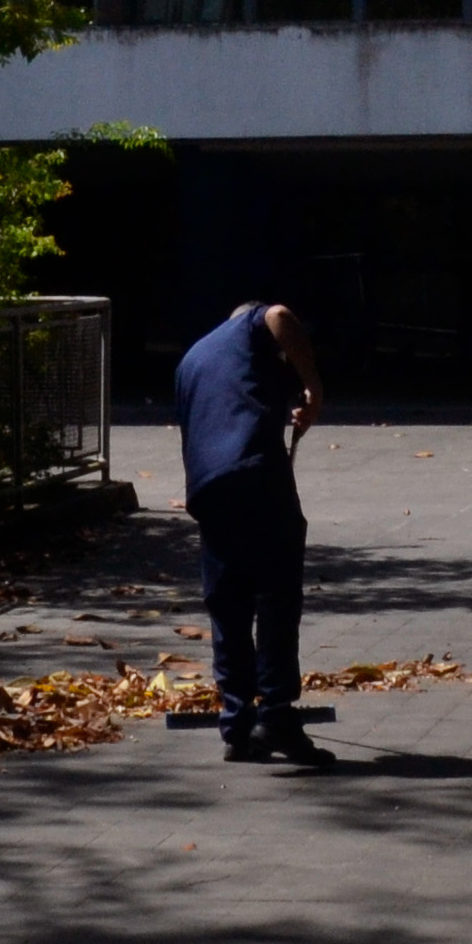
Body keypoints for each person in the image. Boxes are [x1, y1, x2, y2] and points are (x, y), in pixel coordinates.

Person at [172, 299, 329, 766]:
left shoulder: (192, 359)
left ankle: (237, 724)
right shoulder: (251, 326)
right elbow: (280, 316)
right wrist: (313, 390)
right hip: (256, 470)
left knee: (229, 600)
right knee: (277, 592)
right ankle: (276, 713)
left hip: (208, 486)